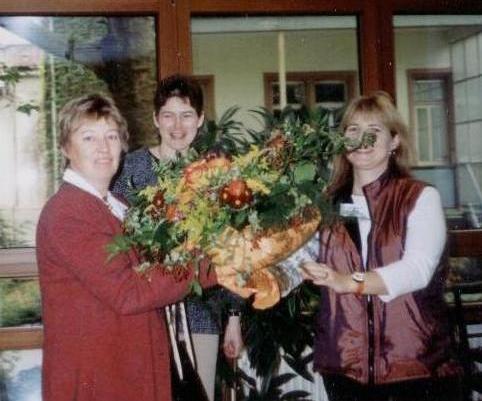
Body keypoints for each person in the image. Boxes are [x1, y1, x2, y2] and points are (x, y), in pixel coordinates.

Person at [36, 94, 222, 401]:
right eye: (88, 137)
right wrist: (214, 266)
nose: (103, 147)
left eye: (111, 136)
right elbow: (128, 292)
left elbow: (156, 271)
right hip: (98, 379)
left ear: (123, 144)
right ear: (65, 148)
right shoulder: (67, 213)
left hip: (129, 371)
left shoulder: (116, 206)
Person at [298, 91, 460, 401]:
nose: (362, 139)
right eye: (353, 130)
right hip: (345, 368)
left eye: (374, 131)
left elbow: (417, 270)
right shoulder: (326, 204)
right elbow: (301, 260)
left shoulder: (419, 197)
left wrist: (349, 282)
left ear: (394, 141)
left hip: (415, 366)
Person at [112, 74, 243, 401]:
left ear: (200, 119)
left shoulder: (216, 173)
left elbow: (233, 248)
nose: (177, 125)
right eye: (168, 115)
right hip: (146, 313)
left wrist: (234, 317)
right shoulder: (130, 168)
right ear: (156, 119)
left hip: (201, 313)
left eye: (186, 115)